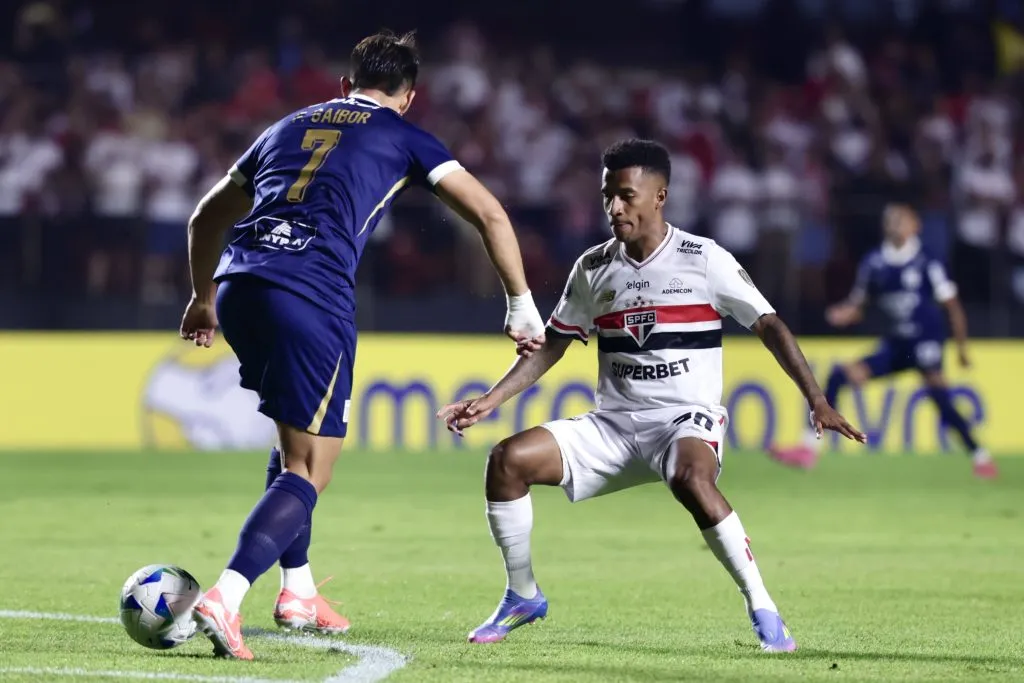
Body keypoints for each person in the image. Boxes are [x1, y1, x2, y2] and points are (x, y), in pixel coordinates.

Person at [179, 30, 545, 660]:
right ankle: (226, 597)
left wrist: (203, 296)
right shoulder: (406, 136)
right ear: (409, 98)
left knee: (294, 443)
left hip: (241, 284)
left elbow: (205, 216)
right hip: (310, 294)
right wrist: (520, 305)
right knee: (311, 469)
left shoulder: (287, 126)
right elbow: (490, 215)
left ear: (345, 87)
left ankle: (296, 590)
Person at [437, 139, 866, 651]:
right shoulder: (593, 267)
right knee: (506, 461)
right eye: (606, 196)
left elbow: (769, 325)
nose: (614, 208)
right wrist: (490, 399)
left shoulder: (704, 259)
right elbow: (554, 344)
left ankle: (763, 606)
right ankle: (522, 595)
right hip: (613, 426)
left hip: (683, 419)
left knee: (690, 477)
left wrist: (814, 398)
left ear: (659, 195)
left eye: (625, 195)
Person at [769, 204, 996, 479]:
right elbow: (859, 303)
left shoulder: (928, 261)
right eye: (889, 219)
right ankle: (808, 449)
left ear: (916, 226)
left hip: (925, 342)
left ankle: (980, 456)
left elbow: (952, 306)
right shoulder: (874, 262)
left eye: (901, 219)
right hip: (896, 345)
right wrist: (844, 313)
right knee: (839, 376)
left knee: (940, 398)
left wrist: (961, 348)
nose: (894, 223)